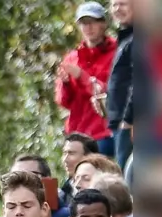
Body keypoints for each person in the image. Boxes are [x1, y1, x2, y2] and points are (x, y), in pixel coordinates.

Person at [57, 3, 119, 154]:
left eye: (93, 21)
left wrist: (81, 76)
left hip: (106, 134)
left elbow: (110, 94)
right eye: (84, 23)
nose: (88, 27)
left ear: (103, 24)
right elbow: (63, 101)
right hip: (78, 134)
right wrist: (66, 83)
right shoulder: (72, 58)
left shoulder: (118, 53)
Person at [105, 0, 134, 167]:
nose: (117, 9)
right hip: (121, 122)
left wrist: (129, 119)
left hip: (131, 124)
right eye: (114, 5)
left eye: (123, 4)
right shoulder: (126, 38)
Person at [60, 133, 101, 206]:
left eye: (71, 153)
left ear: (89, 157)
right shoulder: (63, 193)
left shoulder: (104, 189)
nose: (65, 159)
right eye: (64, 153)